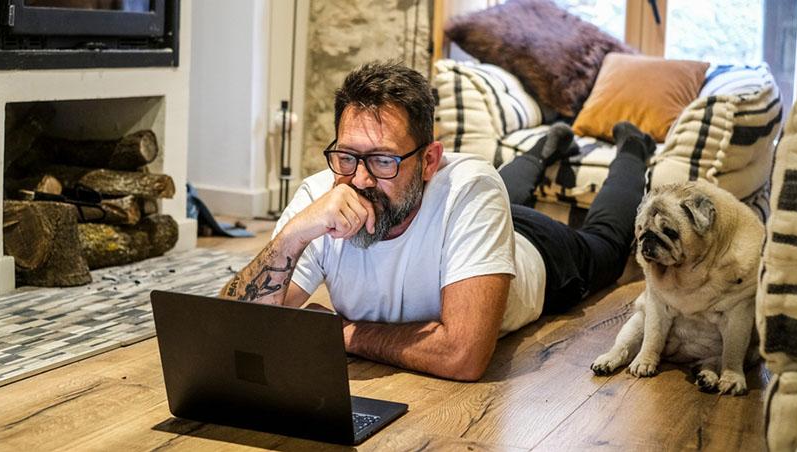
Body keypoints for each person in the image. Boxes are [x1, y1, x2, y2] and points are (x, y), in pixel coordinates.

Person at [219, 60, 656, 381]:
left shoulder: (471, 189)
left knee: (607, 243)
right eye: (348, 156)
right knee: (509, 188)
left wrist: (340, 333)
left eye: (385, 159)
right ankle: (545, 150)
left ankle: (633, 150)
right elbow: (234, 328)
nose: (362, 179)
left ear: (430, 160)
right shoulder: (324, 193)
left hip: (538, 252)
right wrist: (291, 238)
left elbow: (462, 355)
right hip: (473, 230)